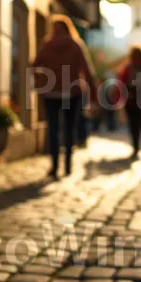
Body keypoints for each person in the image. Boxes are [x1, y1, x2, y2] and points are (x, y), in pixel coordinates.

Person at [32, 14, 97, 180]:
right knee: (69, 129)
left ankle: (54, 166)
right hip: (72, 92)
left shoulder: (47, 45)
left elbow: (34, 65)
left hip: (51, 92)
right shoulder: (75, 45)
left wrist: (41, 80)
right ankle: (67, 165)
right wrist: (93, 92)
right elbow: (87, 70)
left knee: (53, 129)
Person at [118, 45, 141, 159]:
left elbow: (121, 85)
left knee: (134, 124)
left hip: (132, 102)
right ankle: (136, 145)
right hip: (136, 102)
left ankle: (136, 145)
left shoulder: (129, 69)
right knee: (136, 124)